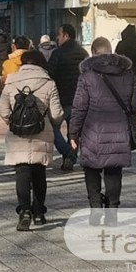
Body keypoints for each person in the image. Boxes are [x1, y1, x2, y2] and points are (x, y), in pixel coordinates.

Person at [69, 37, 136, 226]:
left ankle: (95, 206)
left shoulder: (87, 76)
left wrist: (73, 134)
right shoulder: (127, 73)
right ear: (111, 51)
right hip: (119, 129)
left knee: (91, 169)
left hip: (92, 130)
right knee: (113, 171)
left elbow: (79, 107)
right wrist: (128, 115)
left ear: (93, 52)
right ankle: (112, 213)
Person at [0, 50, 64, 231]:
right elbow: (57, 114)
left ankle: (24, 210)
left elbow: (2, 108)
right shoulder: (49, 83)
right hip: (41, 132)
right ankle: (39, 212)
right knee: (39, 174)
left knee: (22, 173)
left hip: (18, 133)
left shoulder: (11, 81)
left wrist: (14, 121)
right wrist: (50, 122)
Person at [48, 23, 88, 171]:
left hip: (61, 99)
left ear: (66, 36)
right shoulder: (83, 53)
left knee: (53, 128)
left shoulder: (57, 54)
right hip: (79, 99)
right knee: (74, 131)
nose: (57, 38)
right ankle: (71, 156)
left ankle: (66, 153)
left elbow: (50, 74)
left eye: (59, 34)